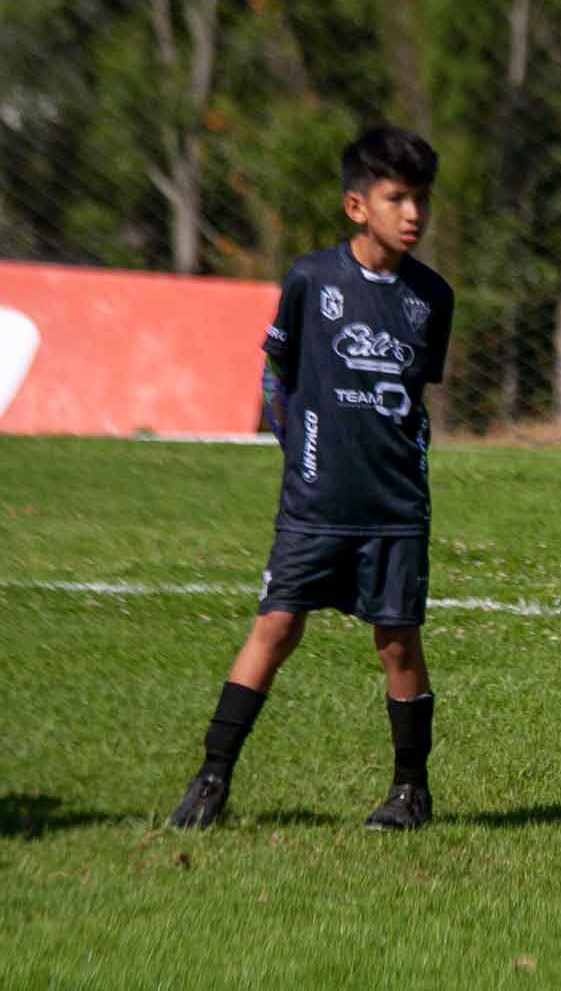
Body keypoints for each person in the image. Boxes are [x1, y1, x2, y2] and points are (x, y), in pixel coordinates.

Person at [167, 125, 454, 832]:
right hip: (315, 500)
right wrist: (296, 446)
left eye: (421, 199)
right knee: (276, 624)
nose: (413, 213)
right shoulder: (312, 279)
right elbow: (277, 370)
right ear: (357, 205)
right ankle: (212, 777)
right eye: (397, 198)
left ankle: (410, 791)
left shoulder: (432, 297)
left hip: (394, 506)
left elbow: (416, 397)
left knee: (398, 640)